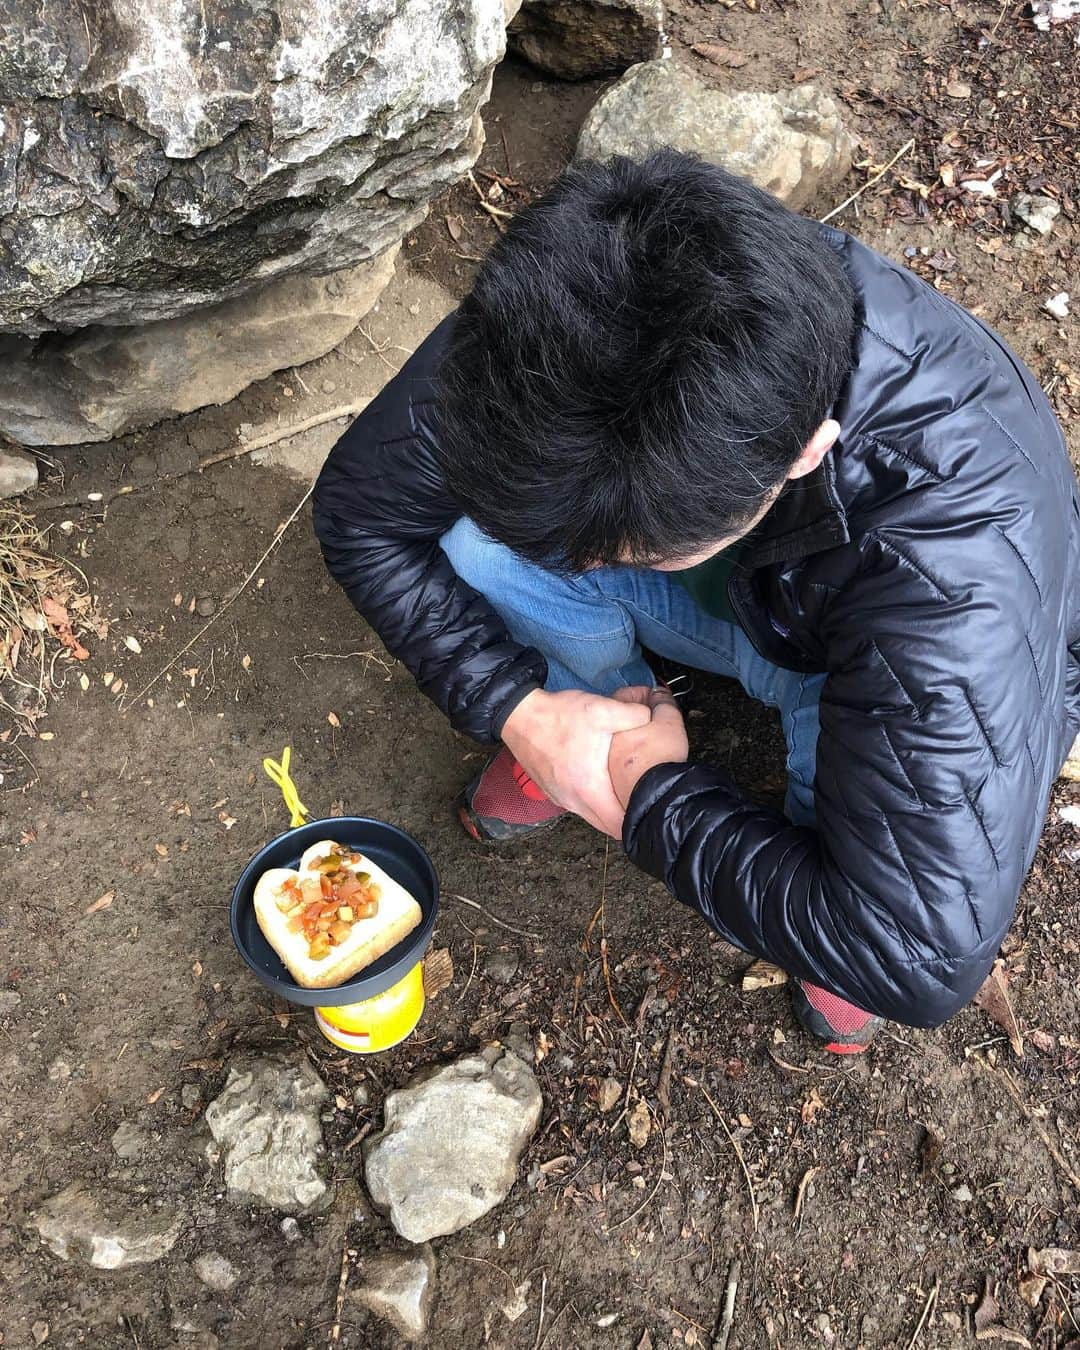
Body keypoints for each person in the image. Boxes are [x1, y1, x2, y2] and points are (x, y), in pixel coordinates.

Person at [313, 149, 1079, 1053]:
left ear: (805, 453)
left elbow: (918, 954)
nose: (589, 571)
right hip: (767, 574)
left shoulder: (953, 578)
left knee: (860, 868)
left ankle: (796, 860)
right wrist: (520, 711)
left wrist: (646, 796)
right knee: (473, 528)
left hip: (846, 643)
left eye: (626, 554)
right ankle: (586, 710)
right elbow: (362, 510)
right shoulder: (591, 284)